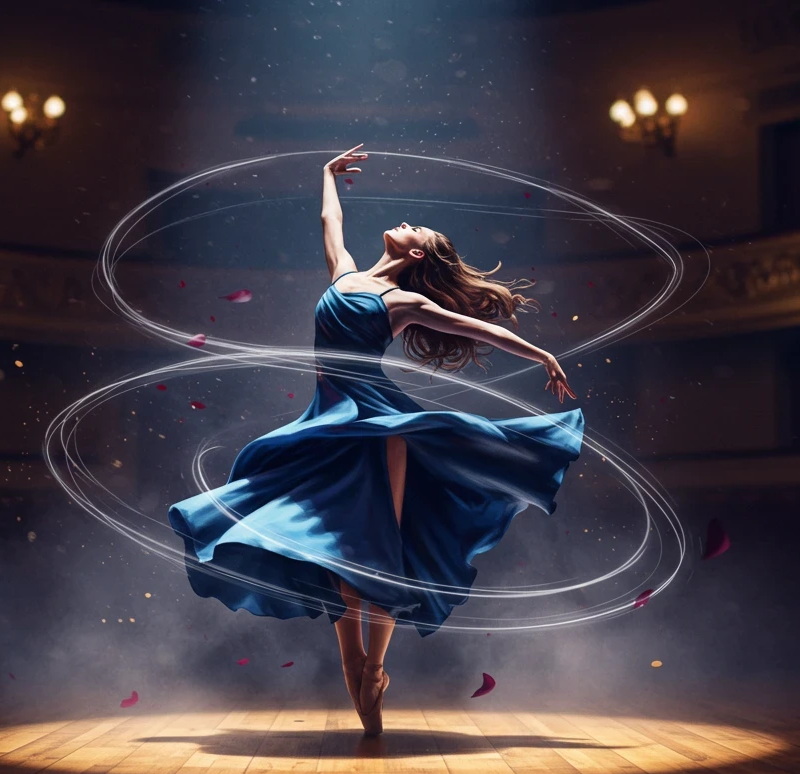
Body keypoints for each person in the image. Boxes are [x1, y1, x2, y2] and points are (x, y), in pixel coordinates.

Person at [169, 144, 581, 735]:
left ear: (417, 252)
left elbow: (476, 326)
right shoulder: (347, 273)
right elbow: (329, 223)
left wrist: (540, 352)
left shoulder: (404, 301)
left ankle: (375, 665)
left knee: (377, 541)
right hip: (328, 418)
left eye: (416, 227)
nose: (405, 222)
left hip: (378, 422)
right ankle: (361, 670)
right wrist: (326, 175)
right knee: (337, 542)